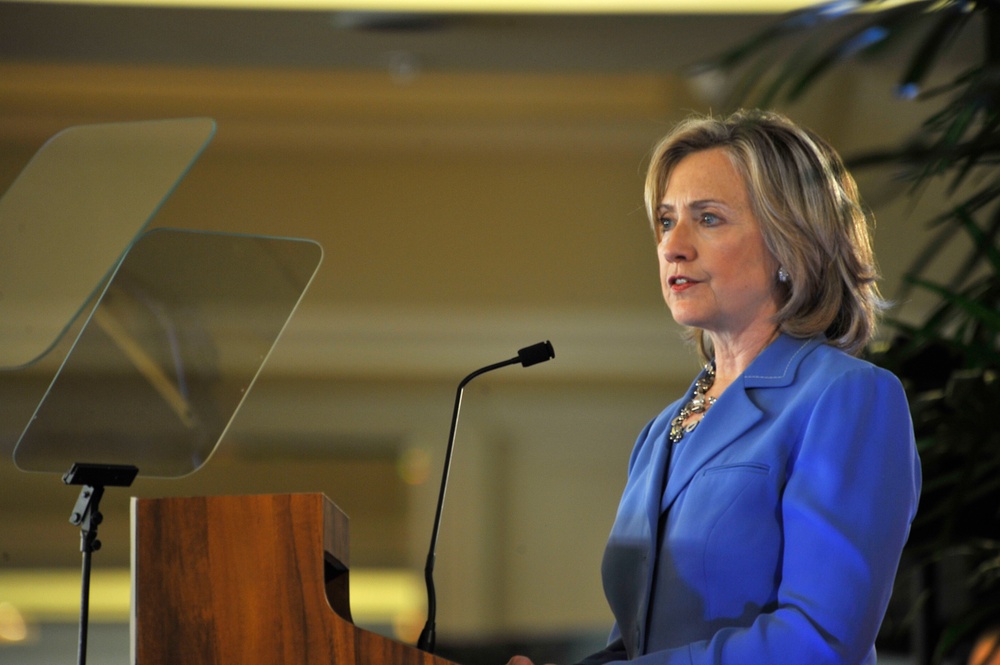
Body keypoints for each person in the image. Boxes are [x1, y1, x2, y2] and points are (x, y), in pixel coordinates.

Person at [507, 109, 921, 665]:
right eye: (665, 220)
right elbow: (638, 643)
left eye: (707, 219)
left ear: (789, 242)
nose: (673, 246)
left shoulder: (846, 398)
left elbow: (819, 644)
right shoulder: (661, 432)